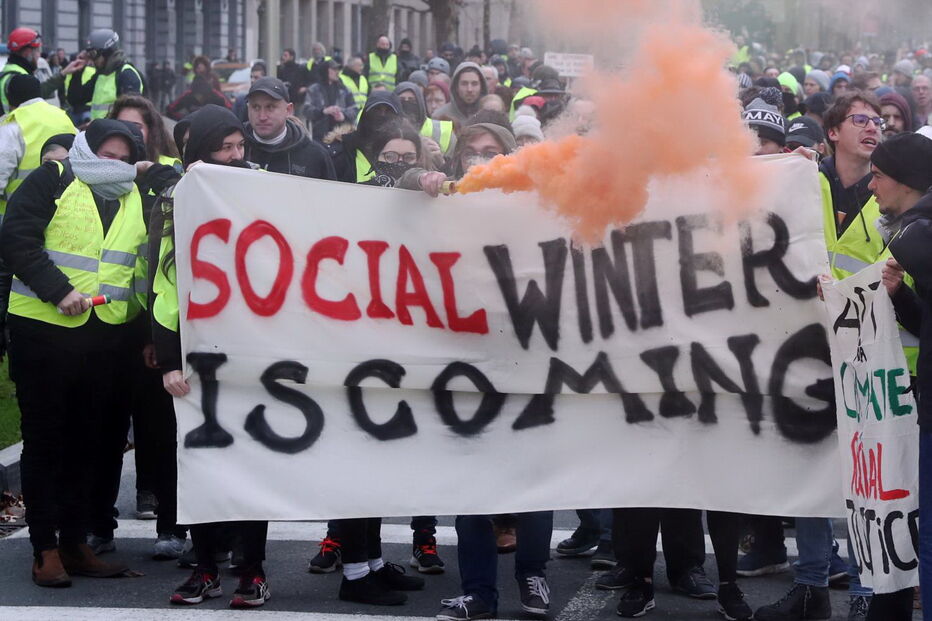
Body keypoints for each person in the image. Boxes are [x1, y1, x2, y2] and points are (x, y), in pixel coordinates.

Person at [755, 92, 891, 621]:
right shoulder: (803, 176)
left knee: (864, 474)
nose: (873, 127)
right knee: (809, 466)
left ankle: (862, 590)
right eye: (861, 119)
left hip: (867, 346)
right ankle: (811, 586)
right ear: (831, 131)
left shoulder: (892, 188)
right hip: (803, 343)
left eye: (877, 120)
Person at [0, 119, 149, 588]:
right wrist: (57, 289)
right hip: (43, 334)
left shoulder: (134, 197)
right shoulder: (54, 178)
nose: (116, 164)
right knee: (45, 443)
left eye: (126, 159)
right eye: (108, 153)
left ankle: (74, 542)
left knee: (89, 444)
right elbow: (17, 238)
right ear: (86, 148)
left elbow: (137, 269)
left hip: (104, 339)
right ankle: (44, 549)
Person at [149, 104, 271, 608]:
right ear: (198, 152)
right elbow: (164, 290)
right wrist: (170, 360)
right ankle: (205, 567)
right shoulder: (174, 202)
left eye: (240, 146)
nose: (235, 156)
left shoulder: (264, 193)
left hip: (252, 358)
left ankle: (253, 571)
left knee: (251, 466)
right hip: (198, 364)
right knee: (199, 467)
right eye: (224, 148)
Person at [879, 132, 932, 621]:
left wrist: (903, 235)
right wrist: (896, 295)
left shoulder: (918, 230)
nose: (872, 187)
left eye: (879, 176)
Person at [0, 76, 77, 220]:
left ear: (10, 99)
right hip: (63, 210)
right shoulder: (62, 116)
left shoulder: (12, 126)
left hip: (17, 213)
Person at [244, 77, 336, 180]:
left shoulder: (315, 156)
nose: (262, 117)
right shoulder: (231, 148)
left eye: (270, 107)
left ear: (288, 110)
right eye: (255, 107)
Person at [324, 91, 403, 183]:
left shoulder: (408, 156)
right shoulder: (340, 153)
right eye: (377, 110)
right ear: (365, 115)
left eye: (389, 111)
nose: (382, 116)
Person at [0, 27, 76, 114]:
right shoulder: (21, 79)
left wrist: (63, 73)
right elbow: (40, 95)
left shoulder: (8, 72)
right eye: (37, 51)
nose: (39, 55)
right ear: (28, 52)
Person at [74, 29, 145, 120]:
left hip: (115, 133)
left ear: (107, 53)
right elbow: (76, 99)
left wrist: (102, 125)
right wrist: (78, 70)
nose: (91, 60)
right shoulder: (101, 75)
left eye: (93, 54)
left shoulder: (126, 75)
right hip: (100, 132)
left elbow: (129, 114)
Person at [395, 81, 455, 158]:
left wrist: (440, 158)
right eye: (401, 100)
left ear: (420, 103)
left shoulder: (444, 131)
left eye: (412, 100)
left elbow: (454, 165)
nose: (407, 104)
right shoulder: (386, 130)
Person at [305, 60, 358, 142]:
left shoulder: (344, 90)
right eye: (334, 69)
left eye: (338, 70)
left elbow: (354, 110)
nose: (337, 72)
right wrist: (323, 111)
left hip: (341, 135)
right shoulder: (314, 89)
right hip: (320, 136)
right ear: (325, 70)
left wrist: (343, 115)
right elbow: (306, 110)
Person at [433, 62, 488, 126]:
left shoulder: (489, 115)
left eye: (474, 84)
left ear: (482, 87)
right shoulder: (440, 116)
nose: (469, 89)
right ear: (456, 87)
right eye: (464, 84)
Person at [166, 76, 230, 120]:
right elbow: (170, 109)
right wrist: (185, 119)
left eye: (203, 94)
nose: (200, 98)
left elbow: (229, 108)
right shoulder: (187, 96)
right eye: (197, 94)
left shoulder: (215, 95)